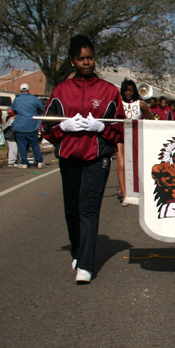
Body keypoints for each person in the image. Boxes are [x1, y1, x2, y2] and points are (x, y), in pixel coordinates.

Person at [41, 34, 125, 284]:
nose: (86, 63)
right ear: (72, 61)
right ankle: (78, 252)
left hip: (96, 158)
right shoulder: (61, 91)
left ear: (94, 58)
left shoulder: (110, 92)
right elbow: (46, 131)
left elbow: (119, 130)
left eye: (89, 58)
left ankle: (86, 265)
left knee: (89, 207)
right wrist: (63, 127)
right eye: (80, 59)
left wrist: (102, 128)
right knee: (72, 209)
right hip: (69, 157)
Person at [117, 79, 152, 206]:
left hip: (136, 138)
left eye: (130, 90)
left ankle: (140, 191)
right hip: (120, 137)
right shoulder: (118, 103)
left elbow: (151, 118)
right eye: (126, 90)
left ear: (134, 91)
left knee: (138, 165)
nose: (128, 93)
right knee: (121, 165)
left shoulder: (141, 104)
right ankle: (124, 195)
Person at [11, 83, 45, 169]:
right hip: (32, 125)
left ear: (20, 90)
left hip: (20, 125)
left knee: (22, 145)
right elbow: (41, 109)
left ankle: (24, 162)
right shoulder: (34, 99)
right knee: (35, 144)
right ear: (28, 90)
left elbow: (14, 110)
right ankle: (39, 161)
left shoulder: (17, 100)